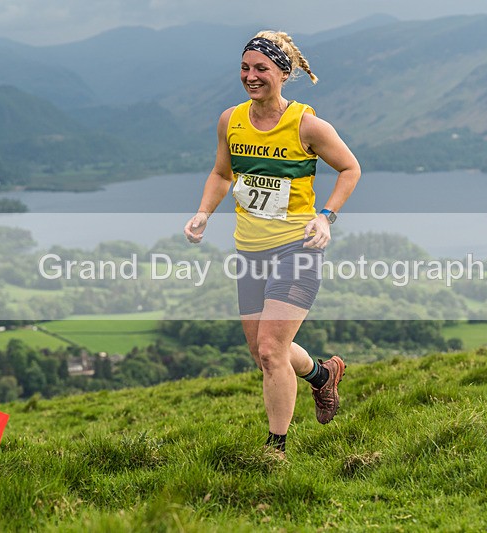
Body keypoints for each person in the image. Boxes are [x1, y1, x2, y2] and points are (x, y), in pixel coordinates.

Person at [184, 30, 361, 459]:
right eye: (245, 68)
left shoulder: (307, 125)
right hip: (250, 252)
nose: (251, 76)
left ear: (283, 72)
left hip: (297, 249)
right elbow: (222, 175)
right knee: (264, 355)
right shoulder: (231, 119)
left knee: (270, 348)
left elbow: (350, 169)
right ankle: (321, 374)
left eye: (261, 68)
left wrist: (327, 217)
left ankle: (275, 450)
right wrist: (204, 212)